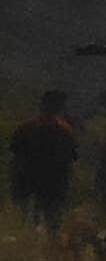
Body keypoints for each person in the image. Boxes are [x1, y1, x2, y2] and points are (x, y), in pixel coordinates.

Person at [7, 92, 76, 231]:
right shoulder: (65, 132)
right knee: (49, 223)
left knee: (26, 221)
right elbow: (69, 162)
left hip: (30, 182)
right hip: (50, 185)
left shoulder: (26, 128)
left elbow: (15, 157)